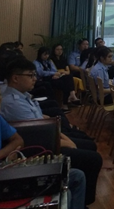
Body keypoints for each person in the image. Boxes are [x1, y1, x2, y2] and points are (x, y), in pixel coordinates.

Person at [1, 58, 103, 206]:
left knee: (87, 145)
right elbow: (37, 134)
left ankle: (80, 200)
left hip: (45, 138)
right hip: (38, 147)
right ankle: (83, 201)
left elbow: (40, 122)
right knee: (93, 158)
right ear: (15, 78)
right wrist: (65, 142)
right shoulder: (12, 102)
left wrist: (64, 137)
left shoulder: (22, 95)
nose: (34, 79)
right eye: (30, 75)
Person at [0, 115, 87, 209]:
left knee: (78, 176)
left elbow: (18, 140)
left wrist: (4, 154)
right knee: (66, 194)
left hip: (6, 170)